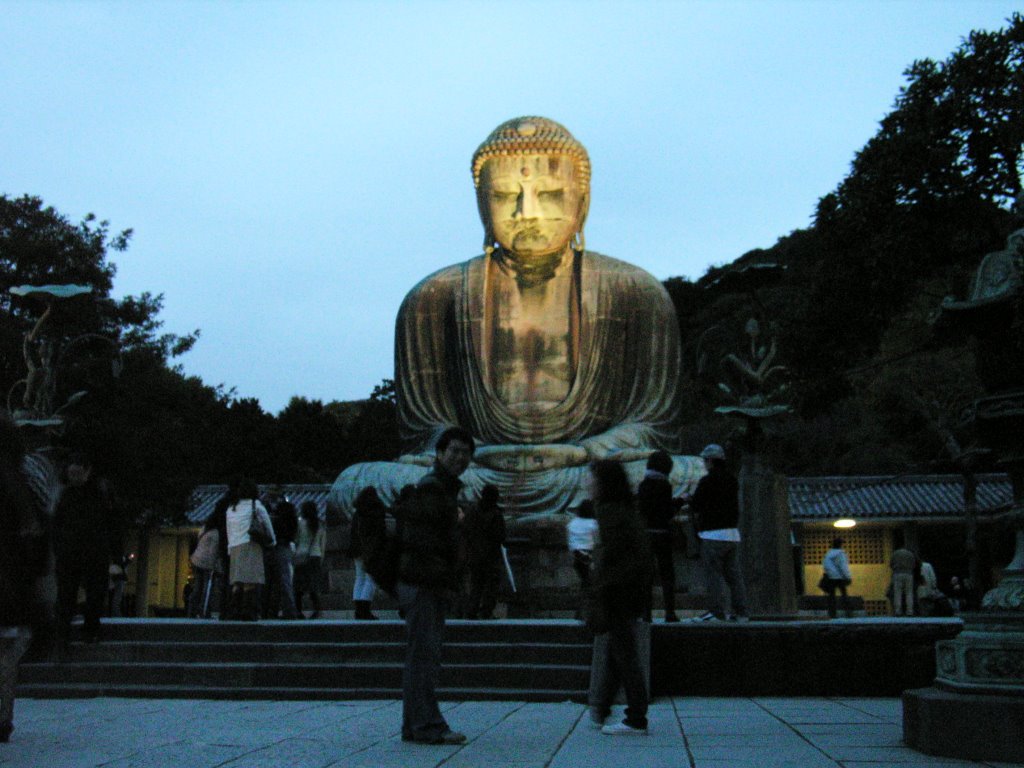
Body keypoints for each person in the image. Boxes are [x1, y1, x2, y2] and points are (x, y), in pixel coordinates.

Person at [330, 116, 705, 518]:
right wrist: (471, 453)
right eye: (506, 195)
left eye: (550, 195)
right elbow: (426, 432)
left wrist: (586, 450)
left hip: (582, 468)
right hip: (479, 470)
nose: (526, 212)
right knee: (357, 482)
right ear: (481, 204)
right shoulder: (433, 299)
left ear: (582, 202)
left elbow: (653, 424)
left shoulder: (636, 292)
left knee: (692, 473)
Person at [396, 426, 474, 745]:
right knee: (424, 655)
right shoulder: (432, 488)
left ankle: (413, 725)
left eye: (465, 453)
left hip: (425, 580)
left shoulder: (443, 489)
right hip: (424, 582)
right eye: (453, 451)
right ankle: (427, 725)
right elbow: (422, 539)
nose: (459, 457)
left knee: (422, 654)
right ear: (439, 453)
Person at [587, 459, 652, 736]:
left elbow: (611, 555)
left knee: (624, 653)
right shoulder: (625, 509)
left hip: (618, 589)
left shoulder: (610, 511)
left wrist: (598, 585)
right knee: (618, 651)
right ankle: (601, 708)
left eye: (591, 479)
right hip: (629, 587)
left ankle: (636, 717)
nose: (587, 485)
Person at [0, 413, 53, 742]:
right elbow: (38, 528)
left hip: (9, 573)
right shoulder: (26, 476)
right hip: (13, 577)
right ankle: (3, 716)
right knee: (6, 654)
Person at [53, 453, 123, 646]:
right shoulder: (66, 495)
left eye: (77, 474)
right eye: (71, 474)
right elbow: (57, 524)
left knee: (94, 594)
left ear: (87, 471)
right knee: (66, 594)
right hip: (71, 552)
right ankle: (64, 632)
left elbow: (113, 525)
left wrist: (116, 557)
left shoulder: (100, 493)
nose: (74, 478)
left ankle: (90, 630)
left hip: (94, 551)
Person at [687, 444, 747, 621]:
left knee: (713, 574)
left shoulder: (707, 481)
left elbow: (697, 504)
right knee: (734, 576)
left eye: (705, 460)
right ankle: (741, 612)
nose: (704, 464)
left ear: (711, 461)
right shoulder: (732, 479)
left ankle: (716, 611)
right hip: (732, 533)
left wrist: (690, 500)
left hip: (712, 534)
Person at [637, 450, 679, 622]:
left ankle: (646, 613)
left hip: (646, 534)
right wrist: (678, 503)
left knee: (646, 576)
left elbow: (642, 510)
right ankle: (670, 611)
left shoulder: (643, 485)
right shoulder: (665, 486)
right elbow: (667, 511)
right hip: (662, 533)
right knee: (667, 574)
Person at [225, 479, 275, 621]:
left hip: (235, 546)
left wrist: (230, 547)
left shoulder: (231, 508)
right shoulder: (256, 506)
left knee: (237, 581)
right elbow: (267, 524)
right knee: (250, 580)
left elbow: (229, 530)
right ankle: (249, 611)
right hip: (250, 544)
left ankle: (234, 609)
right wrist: (272, 541)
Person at [463, 484, 506, 620]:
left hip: (476, 553)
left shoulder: (471, 511)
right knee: (489, 585)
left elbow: (466, 531)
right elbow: (500, 535)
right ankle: (485, 610)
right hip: (489, 555)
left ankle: (473, 609)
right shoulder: (496, 514)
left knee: (477, 584)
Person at [349, 487, 386, 620]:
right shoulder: (376, 511)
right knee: (371, 578)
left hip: (357, 549)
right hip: (371, 548)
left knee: (359, 577)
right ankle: (365, 608)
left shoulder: (357, 513)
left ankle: (358, 609)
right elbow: (380, 533)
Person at [268, 495, 300, 619]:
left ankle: (276, 610)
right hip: (286, 547)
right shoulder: (293, 521)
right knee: (284, 580)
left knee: (277, 581)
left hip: (276, 547)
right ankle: (288, 610)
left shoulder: (276, 520)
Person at [293, 501, 326, 619]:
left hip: (301, 556)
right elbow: (323, 544)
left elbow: (296, 540)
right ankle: (317, 610)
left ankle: (298, 611)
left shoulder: (300, 523)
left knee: (298, 587)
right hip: (316, 556)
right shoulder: (320, 524)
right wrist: (321, 559)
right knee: (313, 586)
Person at [188, 519, 223, 619]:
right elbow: (213, 552)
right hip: (206, 562)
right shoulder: (216, 534)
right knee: (206, 588)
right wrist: (215, 567)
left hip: (196, 559)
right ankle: (203, 610)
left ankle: (192, 609)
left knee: (197, 586)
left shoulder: (204, 529)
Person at [567, 500, 599, 601]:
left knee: (585, 580)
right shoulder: (593, 524)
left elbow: (570, 541)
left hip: (576, 555)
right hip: (589, 555)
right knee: (590, 582)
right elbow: (597, 540)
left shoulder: (572, 524)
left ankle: (583, 606)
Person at [820, 537, 853, 619]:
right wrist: (848, 577)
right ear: (840, 544)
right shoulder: (840, 554)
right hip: (840, 578)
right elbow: (843, 566)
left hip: (830, 578)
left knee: (831, 597)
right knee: (844, 595)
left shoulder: (828, 554)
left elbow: (825, 566)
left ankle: (832, 614)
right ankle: (848, 613)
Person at [890, 542, 917, 616]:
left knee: (897, 592)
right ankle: (910, 611)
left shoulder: (895, 553)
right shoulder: (910, 554)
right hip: (909, 574)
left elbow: (891, 564)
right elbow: (914, 564)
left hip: (898, 573)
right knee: (909, 593)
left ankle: (898, 611)